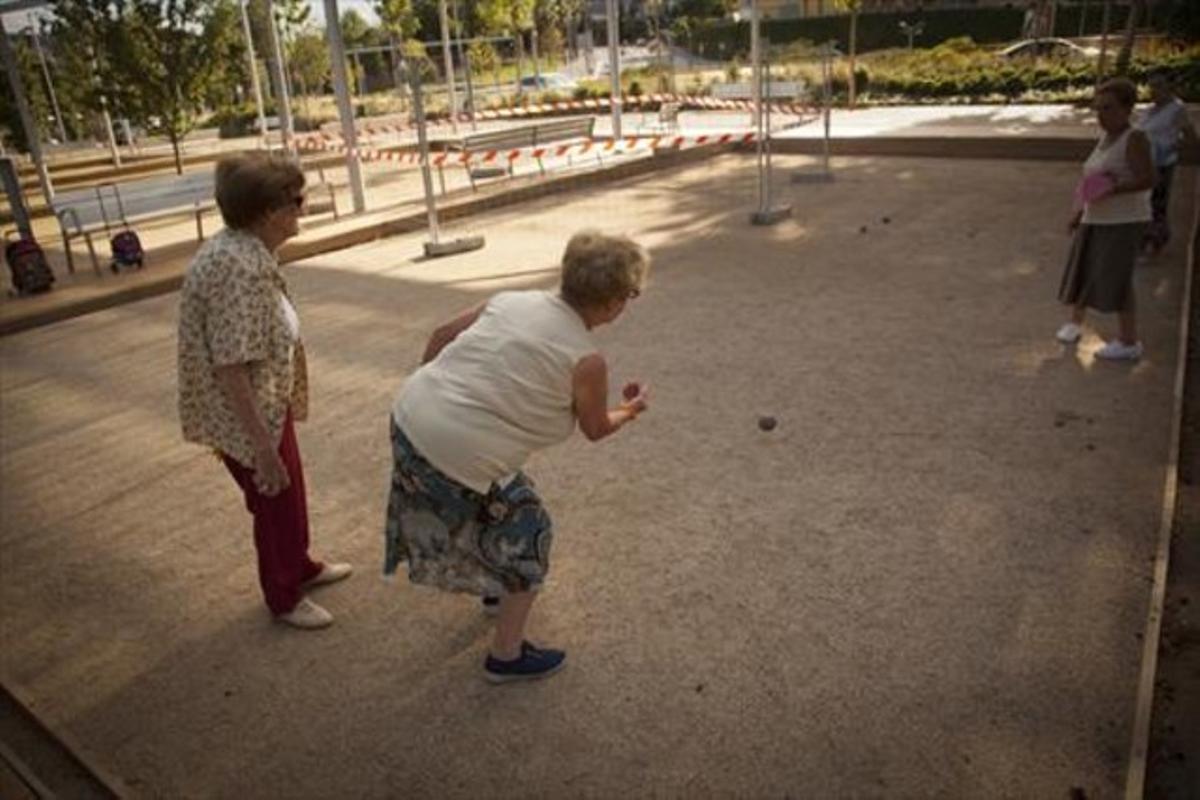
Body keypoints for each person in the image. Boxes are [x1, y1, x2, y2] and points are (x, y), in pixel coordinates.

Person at [383, 231, 651, 683]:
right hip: (457, 452)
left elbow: (441, 335)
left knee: (497, 501)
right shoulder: (586, 359)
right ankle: (505, 656)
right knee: (531, 528)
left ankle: (496, 586)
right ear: (612, 303)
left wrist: (437, 393)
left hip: (409, 417)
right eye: (630, 294)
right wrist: (631, 408)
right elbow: (595, 428)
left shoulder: (512, 301)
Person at [177, 151, 351, 630]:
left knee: (288, 491)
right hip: (246, 412)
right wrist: (261, 447)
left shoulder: (246, 248)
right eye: (297, 200)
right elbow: (230, 366)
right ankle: (284, 595)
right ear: (267, 213)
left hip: (266, 401)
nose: (304, 208)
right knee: (273, 496)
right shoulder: (239, 267)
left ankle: (300, 565)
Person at [1056, 78, 1155, 361]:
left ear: (1127, 108)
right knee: (1082, 269)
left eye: (1108, 108)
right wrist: (1078, 211)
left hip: (1123, 220)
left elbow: (1148, 179)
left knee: (1117, 277)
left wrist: (1113, 188)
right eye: (1098, 109)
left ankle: (1129, 340)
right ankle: (1075, 322)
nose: (1101, 115)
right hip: (1096, 216)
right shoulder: (1106, 137)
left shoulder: (1134, 137)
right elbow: (1090, 179)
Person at [1139, 72, 1197, 254]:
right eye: (1151, 86)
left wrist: (1171, 147)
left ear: (1169, 88)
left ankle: (1156, 239)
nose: (1153, 91)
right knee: (1144, 202)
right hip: (1144, 162)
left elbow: (1191, 136)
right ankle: (1145, 237)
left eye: (1158, 86)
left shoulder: (1177, 109)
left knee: (1157, 202)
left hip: (1162, 163)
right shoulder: (1149, 110)